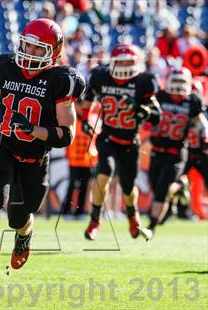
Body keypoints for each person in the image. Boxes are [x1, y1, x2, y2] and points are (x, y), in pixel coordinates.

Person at [0, 18, 86, 290]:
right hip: (4, 146)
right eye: (27, 45)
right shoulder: (7, 66)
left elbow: (66, 134)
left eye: (38, 49)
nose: (30, 53)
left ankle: (24, 236)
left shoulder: (62, 80)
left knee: (18, 219)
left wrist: (35, 130)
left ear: (53, 51)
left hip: (35, 159)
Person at [81, 43, 161, 241]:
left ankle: (133, 216)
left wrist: (143, 110)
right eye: (121, 61)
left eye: (129, 61)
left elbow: (157, 115)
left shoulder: (144, 81)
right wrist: (85, 119)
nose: (125, 65)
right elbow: (88, 100)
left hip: (130, 141)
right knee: (104, 172)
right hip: (107, 136)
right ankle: (95, 219)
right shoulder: (101, 76)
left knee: (127, 187)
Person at [145, 67, 204, 238]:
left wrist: (204, 139)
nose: (178, 87)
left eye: (181, 82)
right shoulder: (160, 97)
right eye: (175, 81)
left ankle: (152, 226)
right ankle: (180, 188)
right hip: (157, 150)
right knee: (156, 187)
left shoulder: (192, 101)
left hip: (177, 152)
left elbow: (201, 123)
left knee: (162, 189)